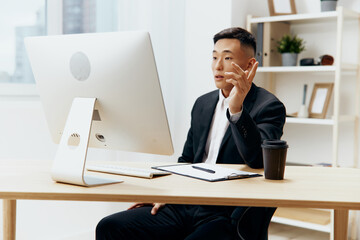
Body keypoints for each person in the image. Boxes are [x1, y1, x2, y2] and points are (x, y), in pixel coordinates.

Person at [96, 27, 286, 240]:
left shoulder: (269, 106)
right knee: (110, 226)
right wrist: (165, 195)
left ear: (250, 65)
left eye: (227, 58)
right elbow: (186, 160)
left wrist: (236, 109)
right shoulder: (203, 104)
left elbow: (257, 159)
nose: (218, 65)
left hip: (225, 212)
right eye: (214, 57)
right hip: (187, 203)